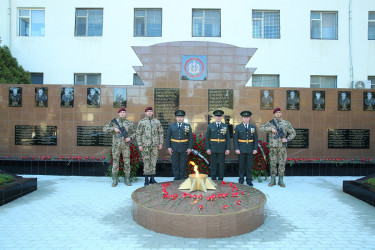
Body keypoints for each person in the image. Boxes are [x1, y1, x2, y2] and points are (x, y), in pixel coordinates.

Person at [259, 108, 296, 188]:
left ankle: (281, 180)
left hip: (282, 147)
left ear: (281, 113)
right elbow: (261, 128)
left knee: (282, 164)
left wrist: (287, 139)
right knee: (272, 163)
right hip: (273, 147)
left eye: (279, 112)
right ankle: (273, 180)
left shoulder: (286, 123)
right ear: (274, 114)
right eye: (276, 112)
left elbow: (293, 133)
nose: (278, 114)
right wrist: (270, 129)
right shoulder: (270, 123)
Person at [103, 108, 136, 187]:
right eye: (121, 112)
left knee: (127, 162)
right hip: (116, 146)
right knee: (115, 162)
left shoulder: (129, 123)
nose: (122, 113)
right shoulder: (113, 122)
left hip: (125, 146)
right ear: (118, 113)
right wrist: (113, 129)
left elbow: (135, 132)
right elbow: (104, 129)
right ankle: (115, 179)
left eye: (124, 112)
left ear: (125, 113)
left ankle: (127, 178)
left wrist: (130, 138)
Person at [136, 106, 164, 185]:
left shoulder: (157, 122)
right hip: (145, 145)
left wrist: (160, 143)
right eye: (148, 111)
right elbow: (138, 134)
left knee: (153, 161)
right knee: (146, 161)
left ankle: (152, 178)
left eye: (150, 111)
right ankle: (146, 179)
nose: (149, 112)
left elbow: (161, 132)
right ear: (145, 113)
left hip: (155, 145)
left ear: (152, 112)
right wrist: (140, 144)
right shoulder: (142, 122)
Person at [166, 110, 193, 180]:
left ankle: (182, 178)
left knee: (183, 163)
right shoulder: (171, 126)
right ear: (176, 118)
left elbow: (190, 138)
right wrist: (168, 147)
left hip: (184, 148)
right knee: (175, 163)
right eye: (178, 117)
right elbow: (168, 137)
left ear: (183, 118)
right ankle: (176, 177)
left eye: (181, 117)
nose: (180, 118)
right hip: (174, 148)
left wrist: (189, 148)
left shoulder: (187, 126)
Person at [233, 111, 258, 186]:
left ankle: (249, 180)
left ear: (249, 118)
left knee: (249, 165)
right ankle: (241, 179)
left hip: (250, 149)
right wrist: (236, 148)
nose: (246, 119)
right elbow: (235, 139)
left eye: (247, 117)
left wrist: (255, 148)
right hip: (241, 149)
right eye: (244, 117)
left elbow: (255, 139)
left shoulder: (253, 127)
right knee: (241, 165)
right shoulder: (238, 127)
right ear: (242, 118)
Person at [205, 110, 231, 181]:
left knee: (221, 164)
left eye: (220, 116)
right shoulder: (210, 126)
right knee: (213, 164)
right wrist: (208, 148)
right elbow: (207, 138)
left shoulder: (225, 126)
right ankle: (213, 178)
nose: (218, 118)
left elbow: (228, 138)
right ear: (214, 117)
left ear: (222, 117)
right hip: (213, 148)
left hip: (222, 148)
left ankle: (220, 179)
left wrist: (228, 148)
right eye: (217, 116)